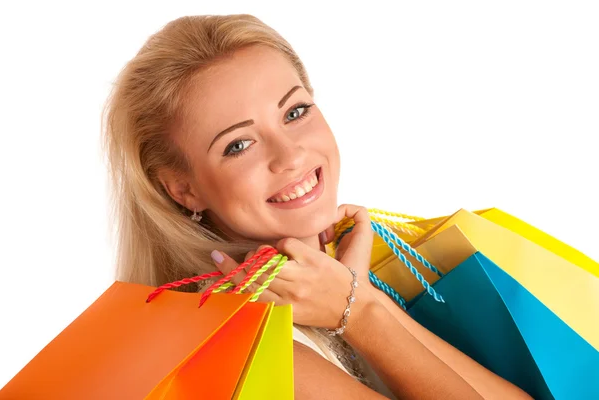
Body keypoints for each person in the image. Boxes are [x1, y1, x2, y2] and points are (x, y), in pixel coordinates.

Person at [102, 14, 532, 399]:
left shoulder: (339, 294)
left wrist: (357, 298)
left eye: (294, 112)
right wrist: (359, 311)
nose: (289, 155)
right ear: (183, 190)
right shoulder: (246, 348)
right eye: (238, 144)